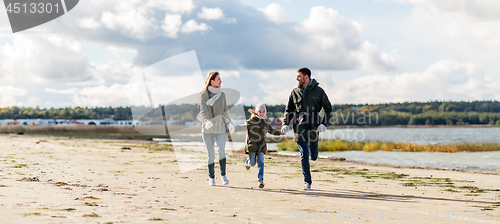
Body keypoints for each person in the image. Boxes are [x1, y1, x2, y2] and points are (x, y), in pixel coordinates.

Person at [281, 67, 332, 190]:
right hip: (299, 127)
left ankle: (312, 155)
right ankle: (307, 182)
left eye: (299, 76)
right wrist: (285, 123)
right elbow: (289, 110)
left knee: (313, 156)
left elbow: (328, 109)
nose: (297, 78)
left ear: (306, 77)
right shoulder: (294, 92)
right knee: (304, 154)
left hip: (314, 127)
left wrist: (324, 124)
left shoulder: (319, 91)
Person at [198, 71, 235, 186]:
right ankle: (211, 177)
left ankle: (223, 175)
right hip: (207, 129)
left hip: (220, 128)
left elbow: (225, 111)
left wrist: (230, 123)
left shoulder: (222, 95)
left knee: (221, 151)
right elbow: (203, 111)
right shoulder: (204, 94)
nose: (221, 81)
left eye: (220, 79)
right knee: (211, 155)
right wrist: (206, 121)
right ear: (212, 81)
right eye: (218, 79)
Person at [242, 104, 284, 188]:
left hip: (261, 146)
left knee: (260, 162)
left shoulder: (266, 122)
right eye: (260, 111)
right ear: (257, 112)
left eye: (263, 111)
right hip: (252, 146)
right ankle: (248, 162)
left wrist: (281, 132)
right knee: (252, 163)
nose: (262, 113)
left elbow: (272, 131)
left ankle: (260, 181)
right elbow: (241, 127)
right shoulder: (251, 121)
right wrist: (230, 128)